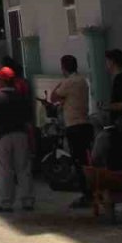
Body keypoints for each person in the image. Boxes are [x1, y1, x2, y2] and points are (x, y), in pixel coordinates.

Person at [0, 66, 35, 213]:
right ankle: (27, 201)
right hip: (21, 135)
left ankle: (5, 203)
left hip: (1, 138)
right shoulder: (21, 96)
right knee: (24, 169)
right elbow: (28, 121)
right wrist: (31, 139)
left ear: (1, 80)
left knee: (4, 170)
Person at [49, 54, 93, 208]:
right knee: (87, 160)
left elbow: (54, 97)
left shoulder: (68, 82)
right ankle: (91, 190)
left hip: (74, 125)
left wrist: (60, 83)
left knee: (78, 161)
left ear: (64, 67)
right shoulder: (82, 81)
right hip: (85, 122)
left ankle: (86, 194)